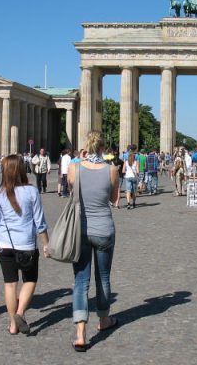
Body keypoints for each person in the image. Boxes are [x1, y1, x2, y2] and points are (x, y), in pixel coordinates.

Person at [68, 131, 120, 351]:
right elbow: (114, 200)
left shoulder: (74, 168)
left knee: (81, 282)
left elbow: (72, 192)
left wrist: (81, 160)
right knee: (103, 278)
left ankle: (80, 334)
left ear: (85, 147)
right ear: (103, 147)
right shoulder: (112, 170)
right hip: (104, 230)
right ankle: (104, 320)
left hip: (80, 229)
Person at [0, 154, 49, 335]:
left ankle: (13, 325)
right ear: (22, 169)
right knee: (29, 280)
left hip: (4, 245)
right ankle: (20, 313)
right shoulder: (31, 191)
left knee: (10, 284)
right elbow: (40, 222)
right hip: (27, 245)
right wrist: (46, 244)